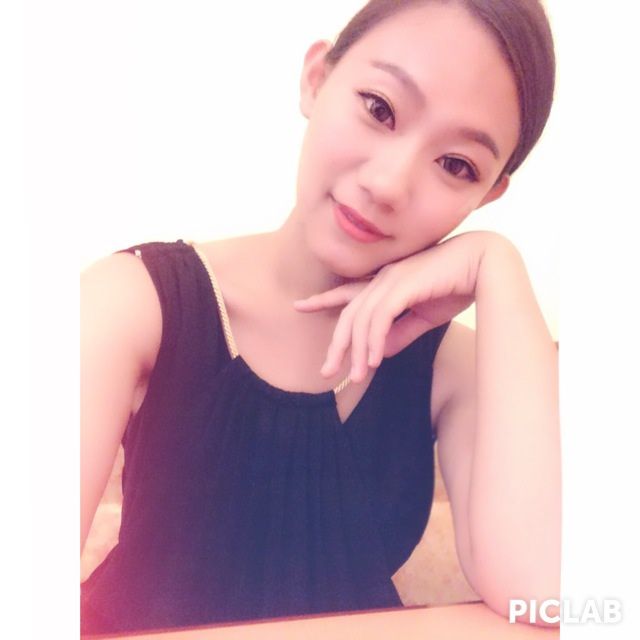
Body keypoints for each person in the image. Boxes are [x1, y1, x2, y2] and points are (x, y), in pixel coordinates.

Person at [80, 0, 560, 634]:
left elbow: (545, 595)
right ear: (317, 78)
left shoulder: (456, 368)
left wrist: (497, 264)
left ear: (489, 192)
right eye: (380, 109)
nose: (389, 184)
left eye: (457, 166)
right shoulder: (135, 300)